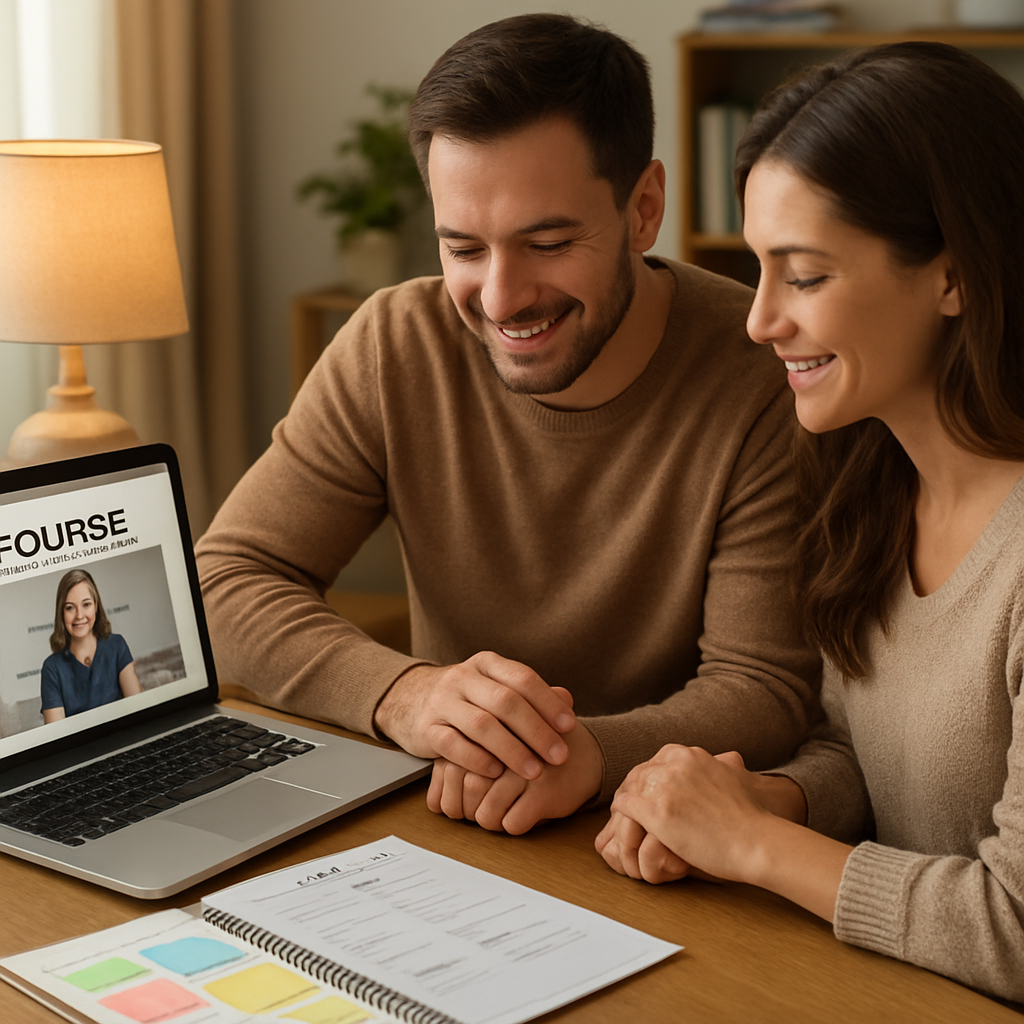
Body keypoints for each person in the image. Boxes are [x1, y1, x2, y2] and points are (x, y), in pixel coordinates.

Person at [195, 13, 819, 834]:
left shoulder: (764, 375)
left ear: (643, 209)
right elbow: (226, 579)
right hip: (447, 822)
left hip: (659, 839)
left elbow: (762, 690)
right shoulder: (395, 343)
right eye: (463, 248)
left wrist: (587, 755)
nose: (499, 299)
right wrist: (402, 693)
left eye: (548, 242)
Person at [596, 41, 1024, 1003]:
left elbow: (1016, 927)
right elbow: (856, 749)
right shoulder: (873, 484)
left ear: (953, 277)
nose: (759, 321)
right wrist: (762, 797)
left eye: (806, 275)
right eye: (758, 269)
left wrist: (755, 843)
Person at [41, 568, 142, 722]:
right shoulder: (52, 668)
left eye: (86, 604)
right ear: (61, 613)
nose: (79, 615)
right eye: (70, 608)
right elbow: (56, 738)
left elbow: (138, 712)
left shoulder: (117, 645)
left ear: (96, 606)